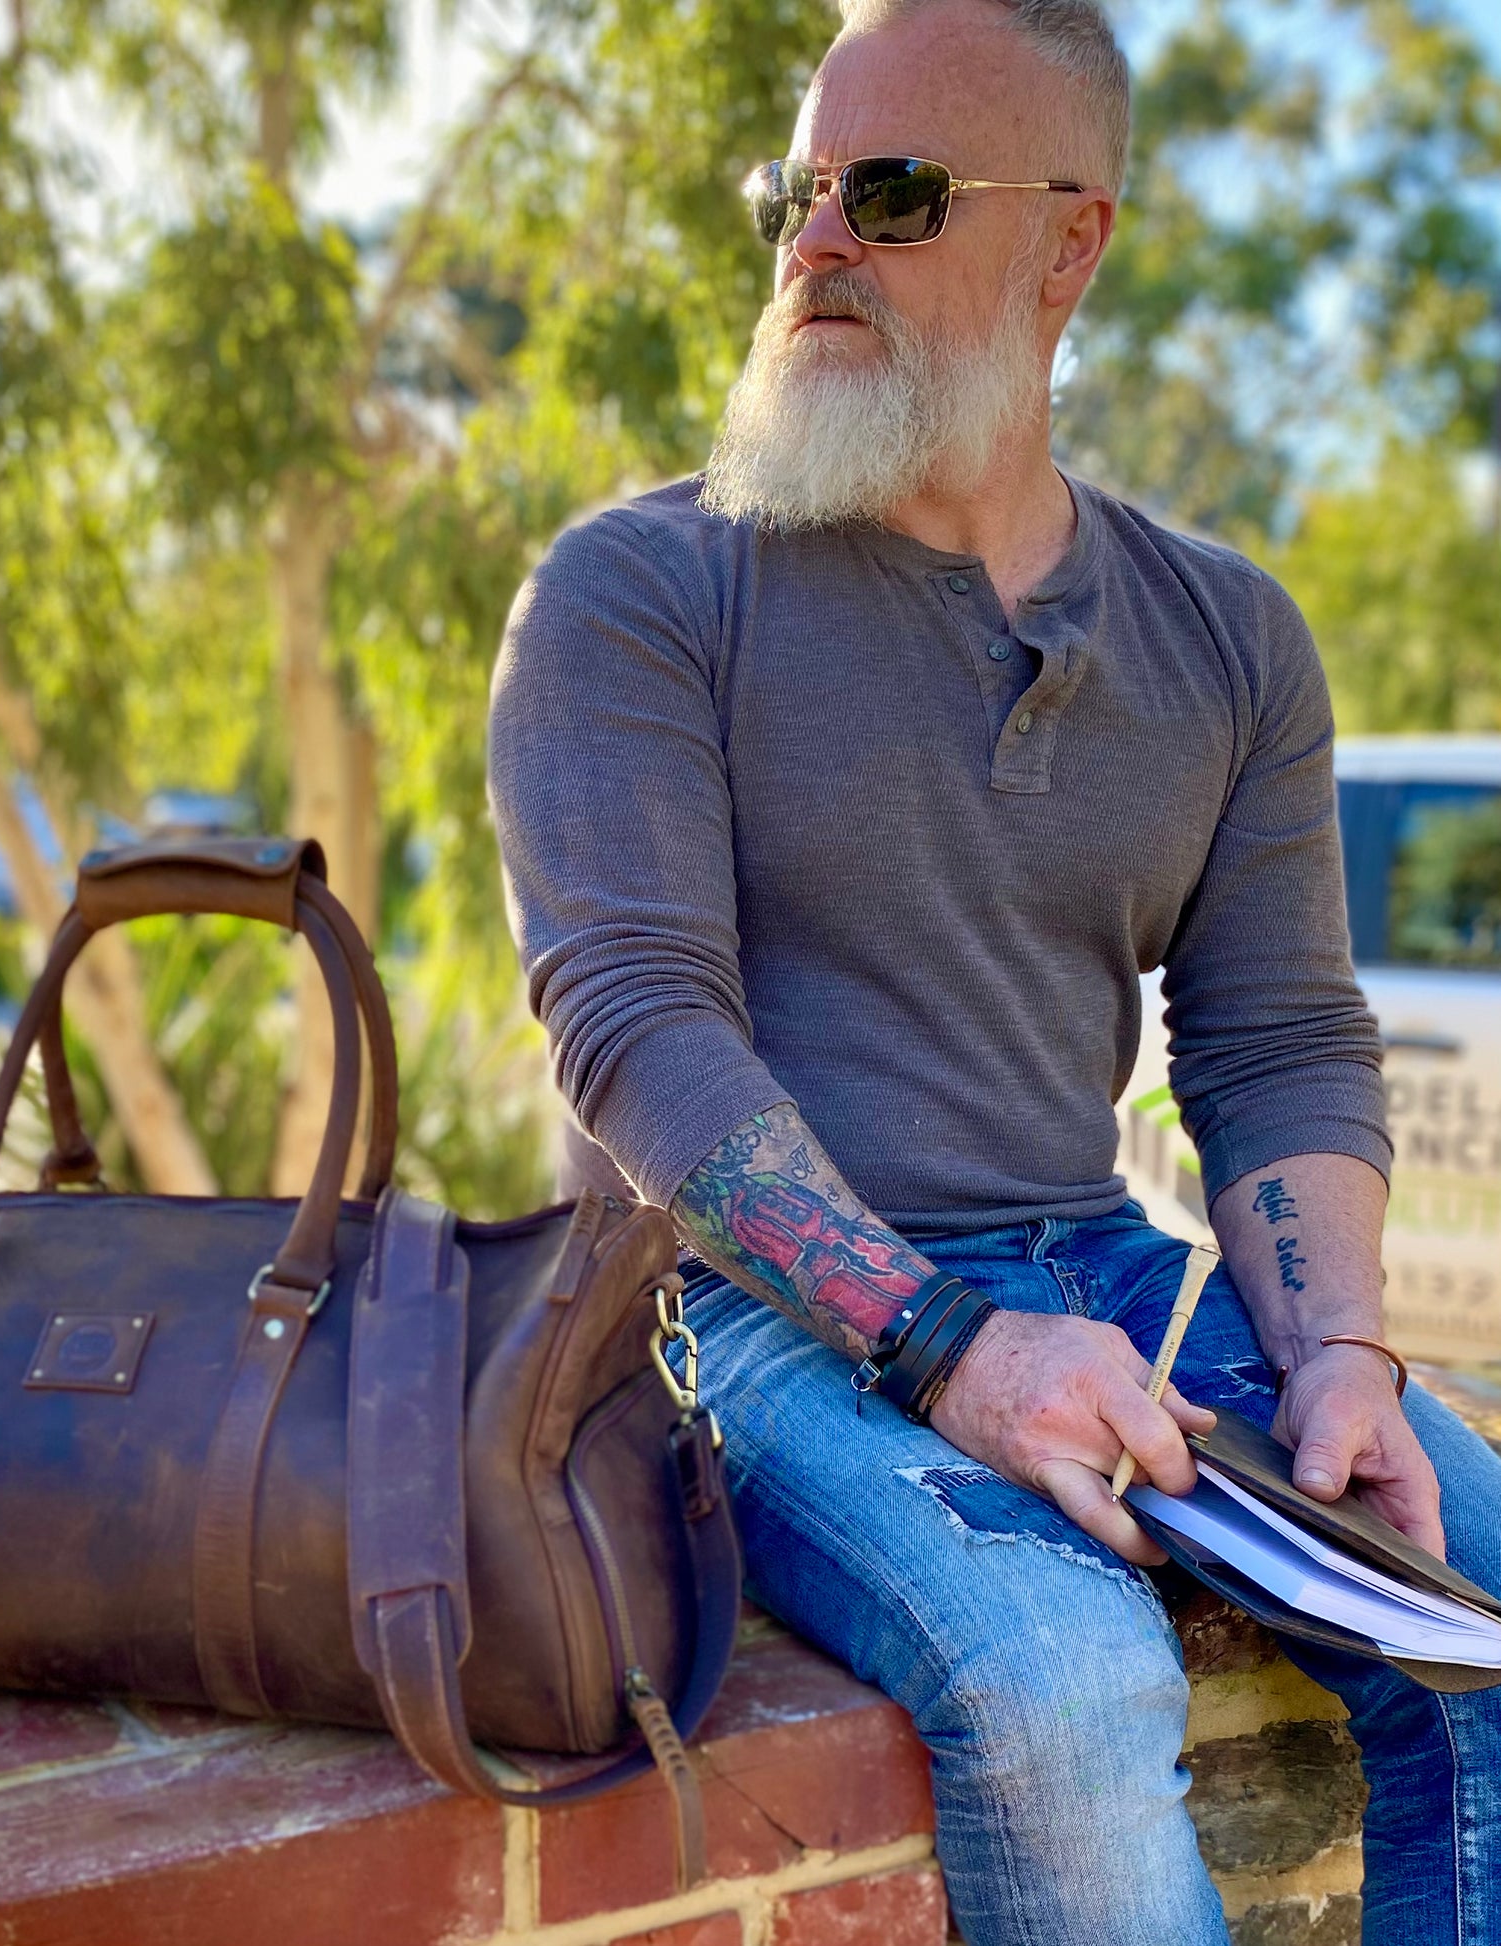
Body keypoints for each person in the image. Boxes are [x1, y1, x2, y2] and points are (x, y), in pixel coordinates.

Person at [486, 1, 1501, 1939]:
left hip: (1104, 1264)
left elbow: (1279, 1033)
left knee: (1477, 1584)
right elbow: (632, 1026)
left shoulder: (1228, 638)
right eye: (789, 192)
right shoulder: (638, 590)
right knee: (1060, 1677)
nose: (811, 244)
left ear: (1071, 244)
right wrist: (953, 1351)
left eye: (886, 194)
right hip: (735, 1316)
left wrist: (1344, 1350)